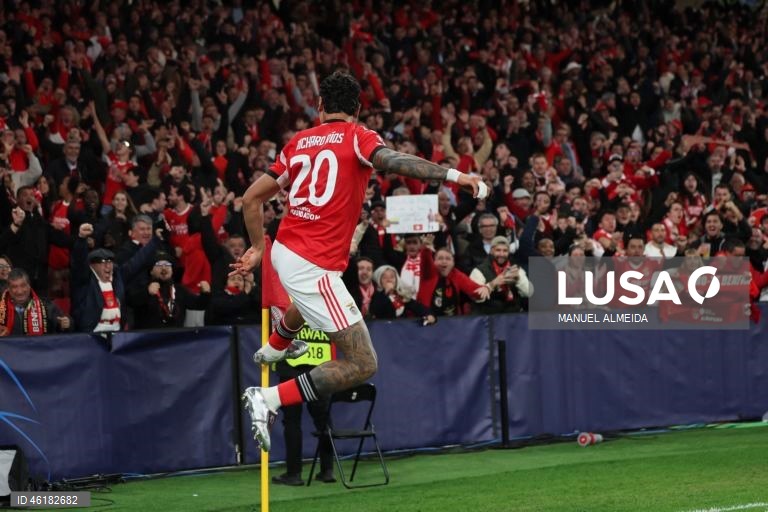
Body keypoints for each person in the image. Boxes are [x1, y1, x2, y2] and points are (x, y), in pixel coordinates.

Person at [231, 70, 486, 451]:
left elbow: (251, 199)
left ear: (319, 107)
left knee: (312, 298)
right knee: (363, 363)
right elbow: (394, 161)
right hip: (312, 265)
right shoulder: (358, 137)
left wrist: (257, 247)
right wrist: (454, 174)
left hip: (287, 249)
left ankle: (277, 343)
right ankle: (266, 398)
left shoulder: (298, 142)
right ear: (358, 109)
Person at [0, 268, 71, 337]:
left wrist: (66, 324)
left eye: (23, 285)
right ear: (8, 288)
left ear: (29, 285)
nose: (19, 291)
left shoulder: (47, 306)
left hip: (39, 348)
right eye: (14, 287)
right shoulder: (1, 308)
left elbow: (65, 324)